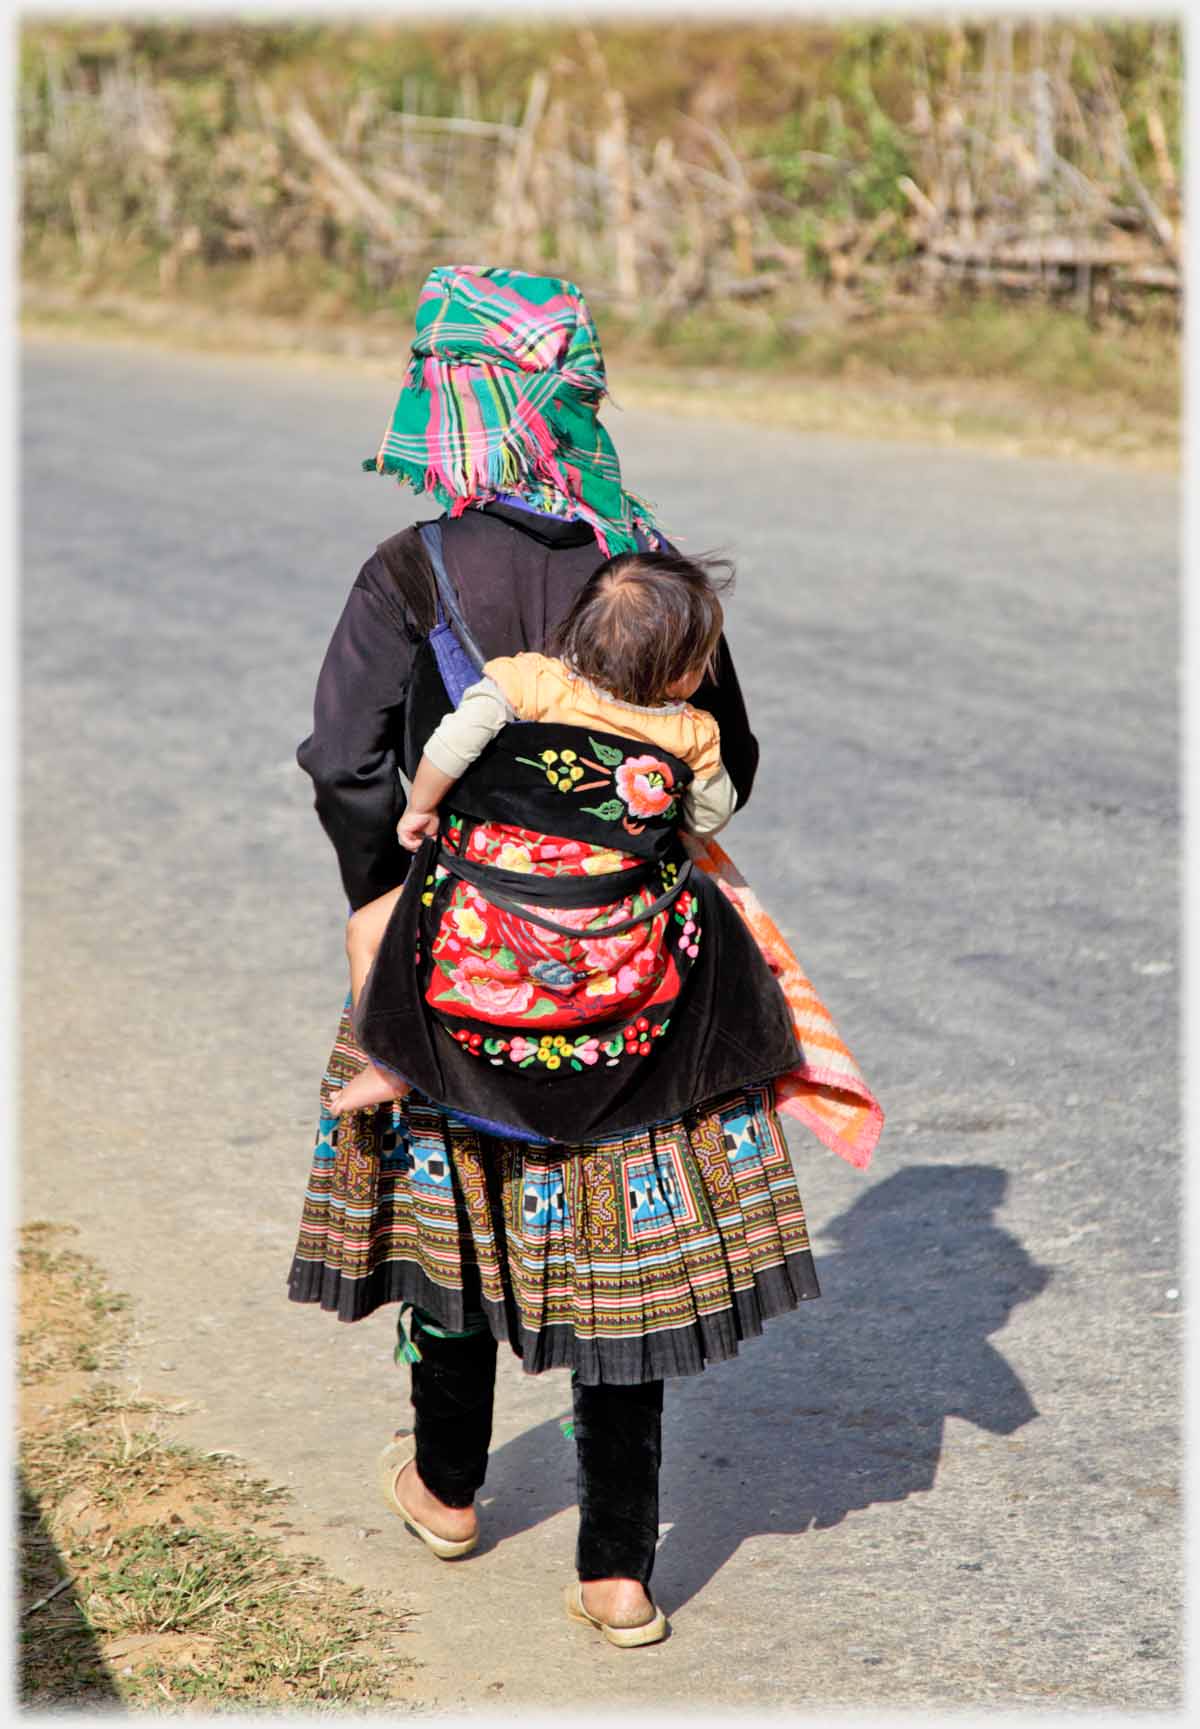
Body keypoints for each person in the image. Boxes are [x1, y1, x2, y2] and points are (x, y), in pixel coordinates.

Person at [288, 264, 878, 1648]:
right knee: (628, 1268)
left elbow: (344, 763)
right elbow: (733, 762)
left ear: (455, 401)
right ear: (579, 396)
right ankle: (618, 1570)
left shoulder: (411, 566)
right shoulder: (658, 572)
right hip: (638, 985)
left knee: (452, 1227)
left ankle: (445, 1488)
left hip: (454, 961)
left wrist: (380, 905)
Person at [330, 546, 747, 1121]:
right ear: (685, 672)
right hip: (613, 924)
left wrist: (420, 809)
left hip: (489, 904)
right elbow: (708, 818)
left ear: (578, 632)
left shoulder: (532, 680)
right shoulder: (691, 732)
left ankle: (390, 1062)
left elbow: (453, 743)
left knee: (365, 932)